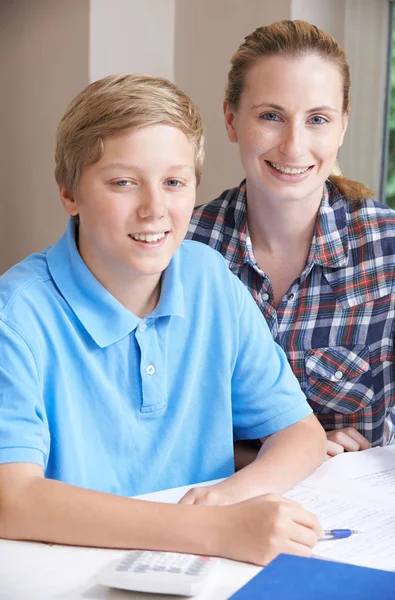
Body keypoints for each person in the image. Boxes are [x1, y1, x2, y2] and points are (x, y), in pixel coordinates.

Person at [0, 74, 326, 566]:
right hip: (69, 575)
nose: (155, 209)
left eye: (174, 182)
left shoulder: (210, 278)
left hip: (201, 570)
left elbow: (301, 433)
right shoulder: (16, 316)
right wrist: (209, 528)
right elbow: (12, 501)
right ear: (70, 194)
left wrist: (229, 499)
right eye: (124, 183)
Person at [187, 19, 395, 459]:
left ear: (342, 126)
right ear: (231, 119)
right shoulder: (184, 247)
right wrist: (296, 453)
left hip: (357, 509)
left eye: (317, 119)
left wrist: (376, 449)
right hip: (220, 501)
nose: (293, 145)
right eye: (271, 116)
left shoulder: (390, 247)